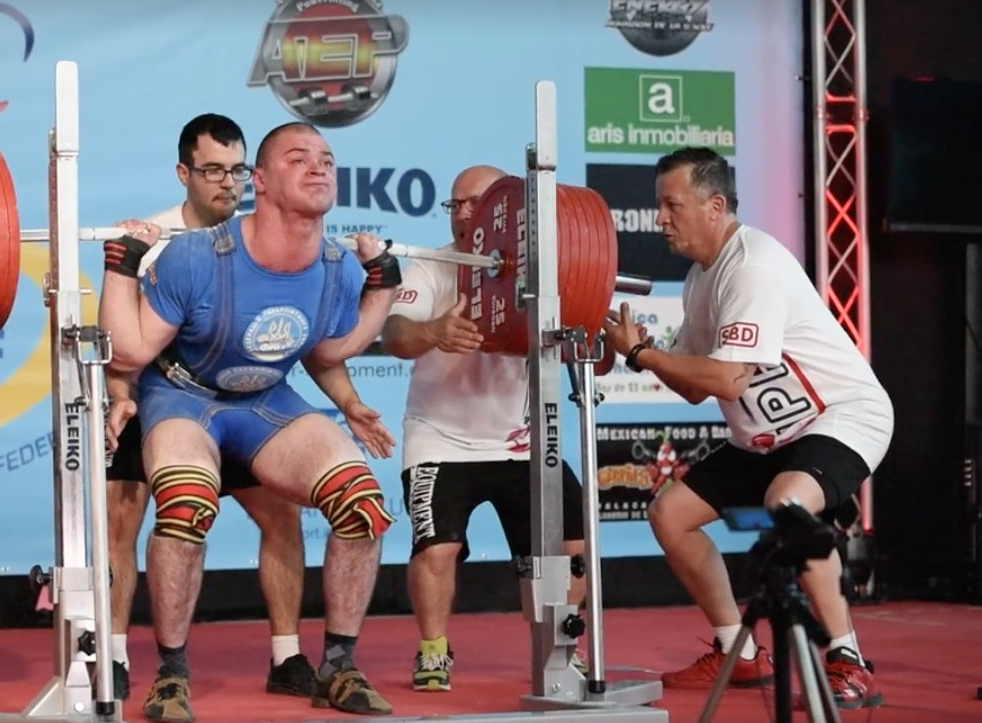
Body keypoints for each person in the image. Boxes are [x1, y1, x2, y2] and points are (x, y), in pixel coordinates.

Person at [98, 122, 400, 722]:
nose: (318, 167)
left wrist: (382, 286)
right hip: (182, 396)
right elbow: (128, 352)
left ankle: (336, 665)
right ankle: (171, 674)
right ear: (259, 181)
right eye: (299, 158)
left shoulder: (338, 267)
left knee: (362, 504)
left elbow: (330, 349)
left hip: (264, 401)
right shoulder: (194, 256)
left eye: (326, 159)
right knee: (185, 505)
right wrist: (121, 263)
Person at [602, 146, 889, 710]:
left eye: (671, 205)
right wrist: (642, 355)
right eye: (659, 206)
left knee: (788, 503)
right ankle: (740, 650)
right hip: (766, 438)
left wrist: (641, 353)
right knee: (670, 515)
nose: (660, 219)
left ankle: (849, 659)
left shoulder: (751, 264)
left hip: (841, 414)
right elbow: (693, 388)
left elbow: (728, 380)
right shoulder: (699, 278)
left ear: (714, 206)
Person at [382, 165, 616, 691]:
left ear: (504, 210)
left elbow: (595, 357)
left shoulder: (547, 273)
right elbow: (394, 335)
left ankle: (560, 650)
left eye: (476, 203)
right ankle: (434, 650)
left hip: (521, 443)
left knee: (572, 548)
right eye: (456, 205)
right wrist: (433, 331)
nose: (464, 214)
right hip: (439, 439)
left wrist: (609, 341)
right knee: (437, 549)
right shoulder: (431, 266)